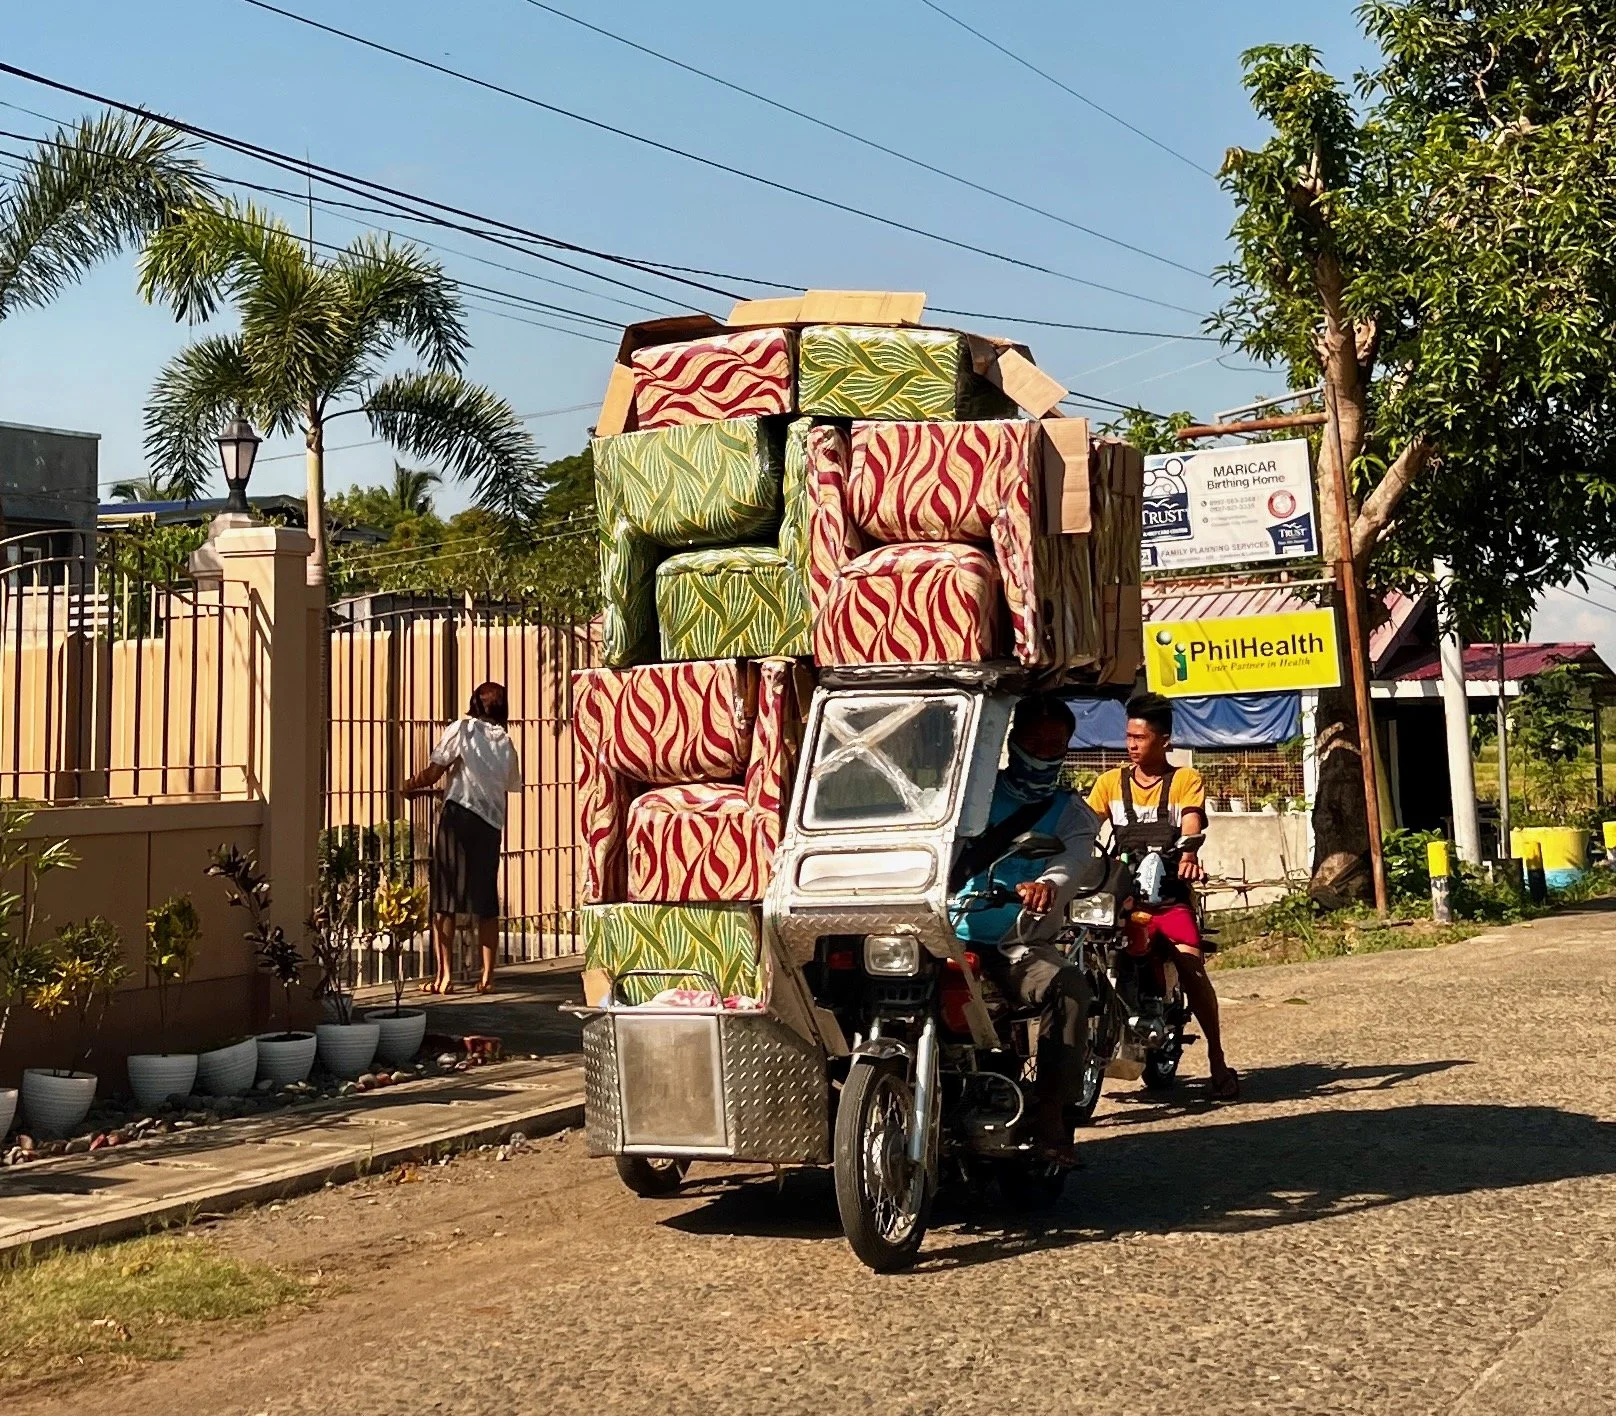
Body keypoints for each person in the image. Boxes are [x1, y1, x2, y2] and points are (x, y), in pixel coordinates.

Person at [950, 694, 1100, 1164]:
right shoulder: (971, 794)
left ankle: (1053, 1112)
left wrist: (1046, 885)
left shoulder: (1072, 811)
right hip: (943, 933)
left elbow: (1072, 863)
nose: (1044, 753)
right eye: (1035, 743)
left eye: (1056, 746)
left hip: (1014, 943)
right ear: (1012, 741)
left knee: (1070, 986)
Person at [1087, 691, 1238, 1101]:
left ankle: (1218, 1061)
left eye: (1140, 737)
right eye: (1128, 737)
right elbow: (1085, 825)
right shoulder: (1108, 783)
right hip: (1122, 898)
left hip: (1168, 899)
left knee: (1192, 970)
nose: (1131, 745)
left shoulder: (1185, 780)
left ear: (1164, 740)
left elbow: (1191, 819)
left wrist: (1188, 851)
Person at [403, 681, 522, 995]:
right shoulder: (506, 742)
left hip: (458, 818)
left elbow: (434, 772)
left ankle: (444, 978)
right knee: (485, 902)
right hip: (491, 824)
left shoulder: (462, 729)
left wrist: (408, 786)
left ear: (474, 703)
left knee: (445, 898)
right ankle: (487, 979)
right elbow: (507, 782)